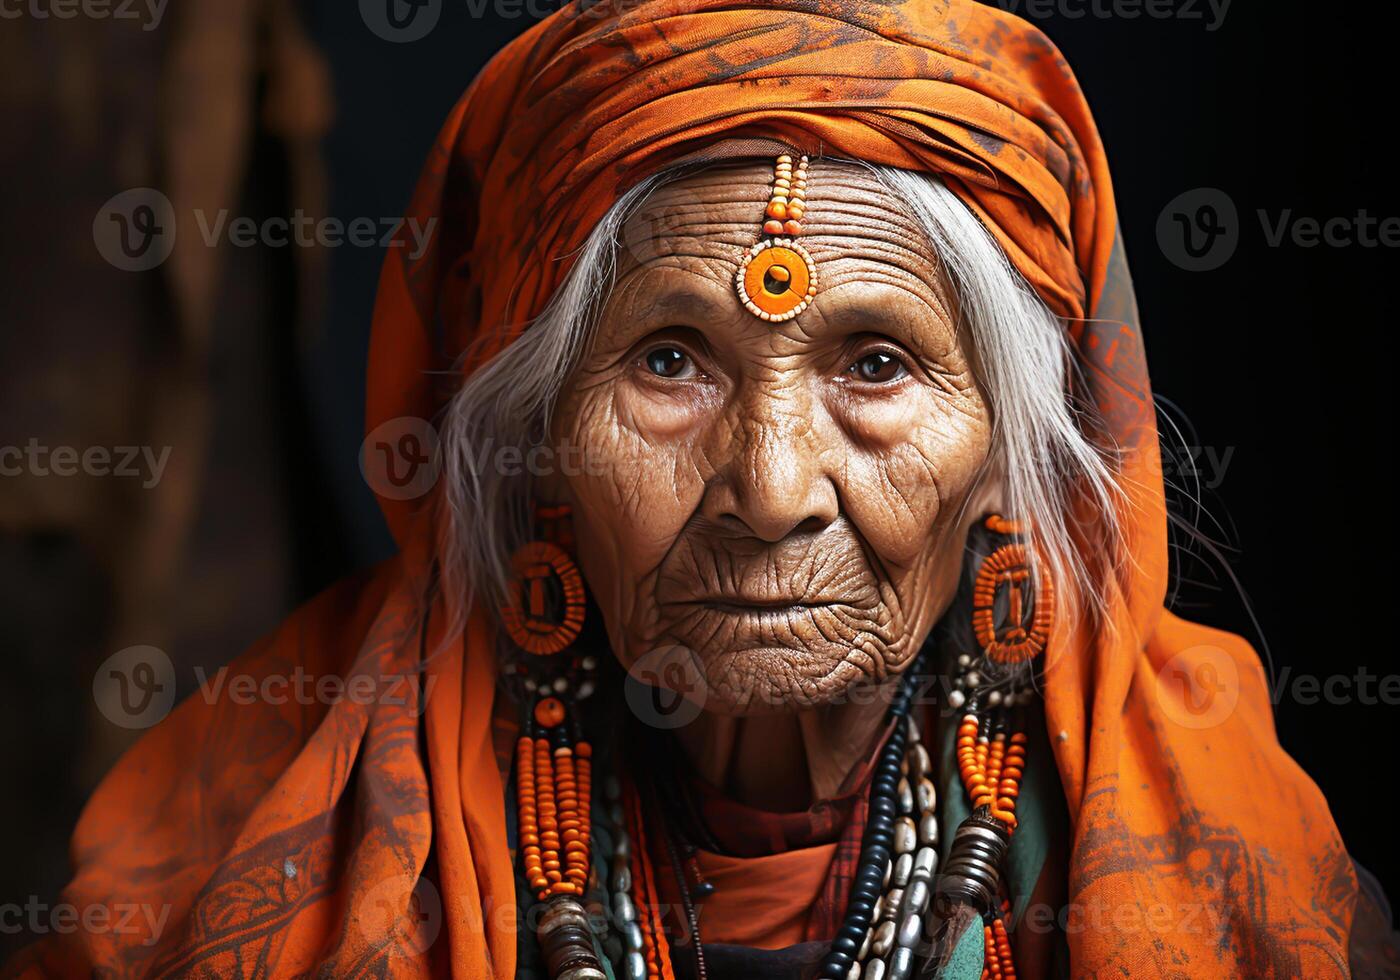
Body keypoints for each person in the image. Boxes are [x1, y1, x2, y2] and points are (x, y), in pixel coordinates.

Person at [9, 1, 1396, 977]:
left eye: (877, 364)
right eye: (670, 361)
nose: (773, 487)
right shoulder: (242, 825)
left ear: (1008, 461)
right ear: (535, 434)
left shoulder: (1219, 832)